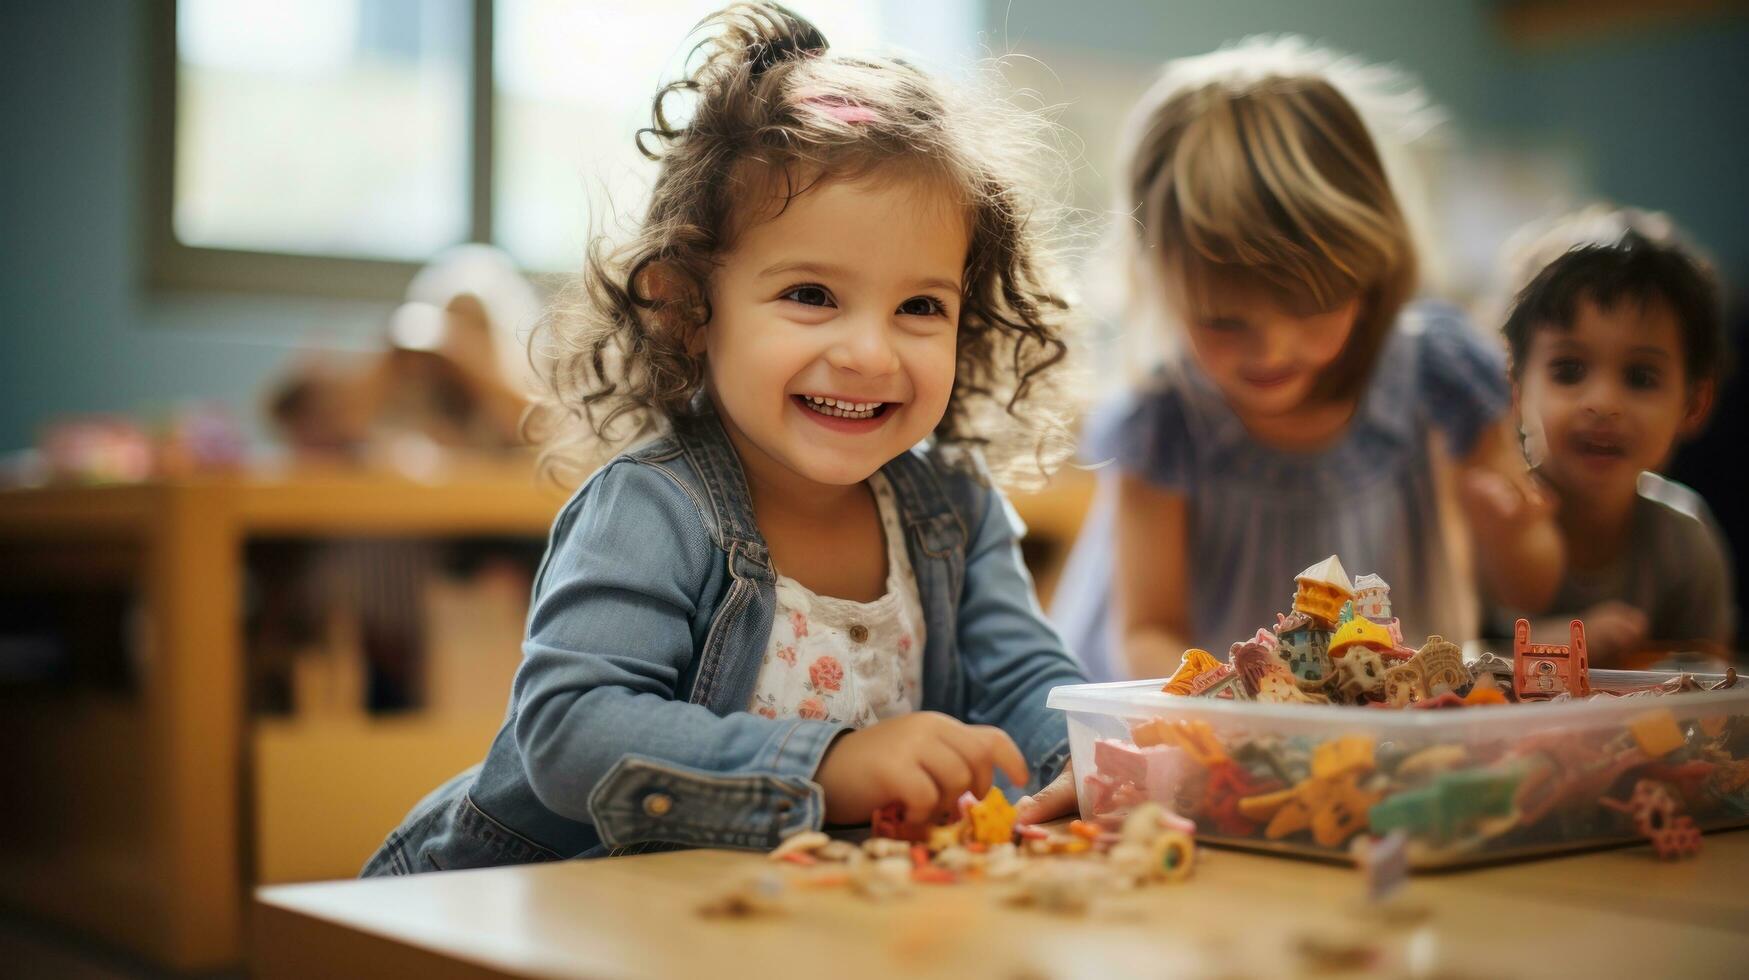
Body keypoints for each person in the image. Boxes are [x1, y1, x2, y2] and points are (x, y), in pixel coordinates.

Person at [363, 2, 1086, 874]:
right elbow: (570, 729)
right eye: (811, 294)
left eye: (920, 307)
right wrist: (828, 767)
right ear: (687, 309)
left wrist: (1084, 760)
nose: (868, 351)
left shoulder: (957, 513)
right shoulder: (653, 507)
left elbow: (1023, 683)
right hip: (516, 904)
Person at [1050, 37, 1562, 682]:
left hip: (1399, 723)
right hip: (1201, 729)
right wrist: (1236, 711)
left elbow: (1532, 590)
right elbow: (1147, 630)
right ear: (1163, 286)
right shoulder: (1167, 419)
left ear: (1370, 269)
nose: (1271, 350)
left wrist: (1512, 534)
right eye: (1222, 320)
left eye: (1313, 306)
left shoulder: (1440, 370)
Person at [1486, 207, 1733, 666]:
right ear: (1515, 390)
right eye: (1569, 370)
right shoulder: (1488, 524)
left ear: (1694, 404)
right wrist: (1548, 647)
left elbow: (1709, 693)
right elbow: (1428, 666)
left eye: (1640, 377)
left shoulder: (1686, 546)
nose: (1602, 402)